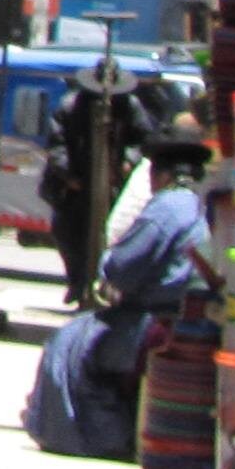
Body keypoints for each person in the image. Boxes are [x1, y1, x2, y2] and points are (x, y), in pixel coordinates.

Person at [23, 116, 221, 459]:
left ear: (159, 175)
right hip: (189, 315)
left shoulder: (168, 206)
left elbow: (120, 268)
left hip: (159, 320)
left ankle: (89, 433)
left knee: (68, 341)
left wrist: (108, 266)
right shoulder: (201, 203)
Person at [44, 58, 159, 307]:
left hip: (114, 183)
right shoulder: (70, 105)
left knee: (114, 234)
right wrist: (69, 176)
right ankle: (77, 282)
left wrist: (128, 161)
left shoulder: (129, 105)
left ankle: (105, 285)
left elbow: (144, 138)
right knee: (67, 233)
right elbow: (56, 144)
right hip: (75, 184)